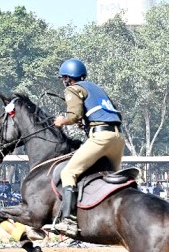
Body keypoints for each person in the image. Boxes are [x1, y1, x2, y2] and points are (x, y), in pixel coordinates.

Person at [45, 58, 125, 237]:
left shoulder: (73, 88)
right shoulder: (97, 89)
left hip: (101, 138)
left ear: (68, 78)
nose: (63, 82)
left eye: (64, 78)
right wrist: (88, 125)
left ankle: (69, 222)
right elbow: (111, 113)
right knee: (111, 181)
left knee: (68, 173)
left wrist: (62, 121)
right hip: (117, 138)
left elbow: (74, 115)